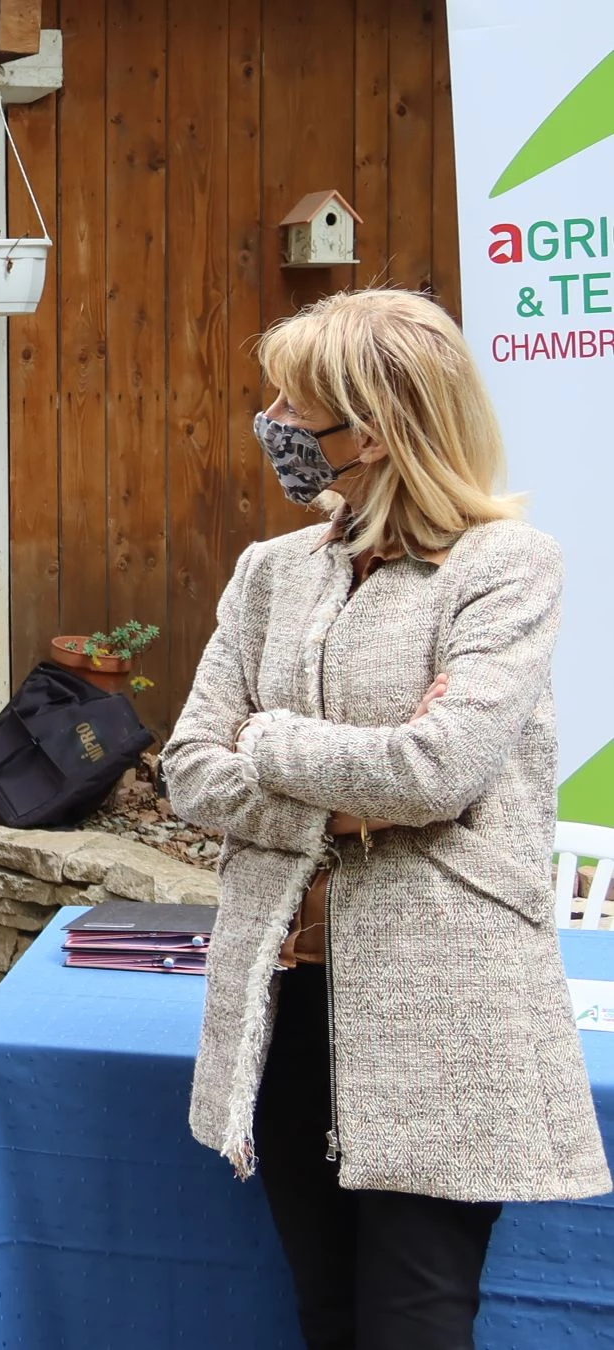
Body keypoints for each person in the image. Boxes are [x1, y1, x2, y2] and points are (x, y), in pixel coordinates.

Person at [162, 288, 610, 1350]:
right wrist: (353, 801)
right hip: (286, 998)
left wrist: (265, 741)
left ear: (369, 426)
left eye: (293, 400)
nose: (270, 418)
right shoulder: (269, 572)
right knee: (324, 1317)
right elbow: (187, 766)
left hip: (441, 1009)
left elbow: (435, 769)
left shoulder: (506, 567)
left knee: (411, 1324)